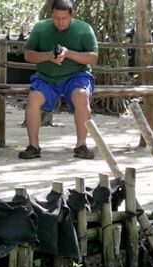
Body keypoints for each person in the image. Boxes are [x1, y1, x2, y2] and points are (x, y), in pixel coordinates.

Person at [19, 0, 99, 160]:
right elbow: (28, 55)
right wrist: (48, 56)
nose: (60, 22)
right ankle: (33, 146)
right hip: (46, 77)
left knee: (81, 95)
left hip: (76, 76)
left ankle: (81, 146)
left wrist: (68, 54)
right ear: (51, 14)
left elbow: (93, 58)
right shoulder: (41, 28)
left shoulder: (84, 29)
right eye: (56, 18)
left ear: (72, 15)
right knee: (33, 99)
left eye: (64, 18)